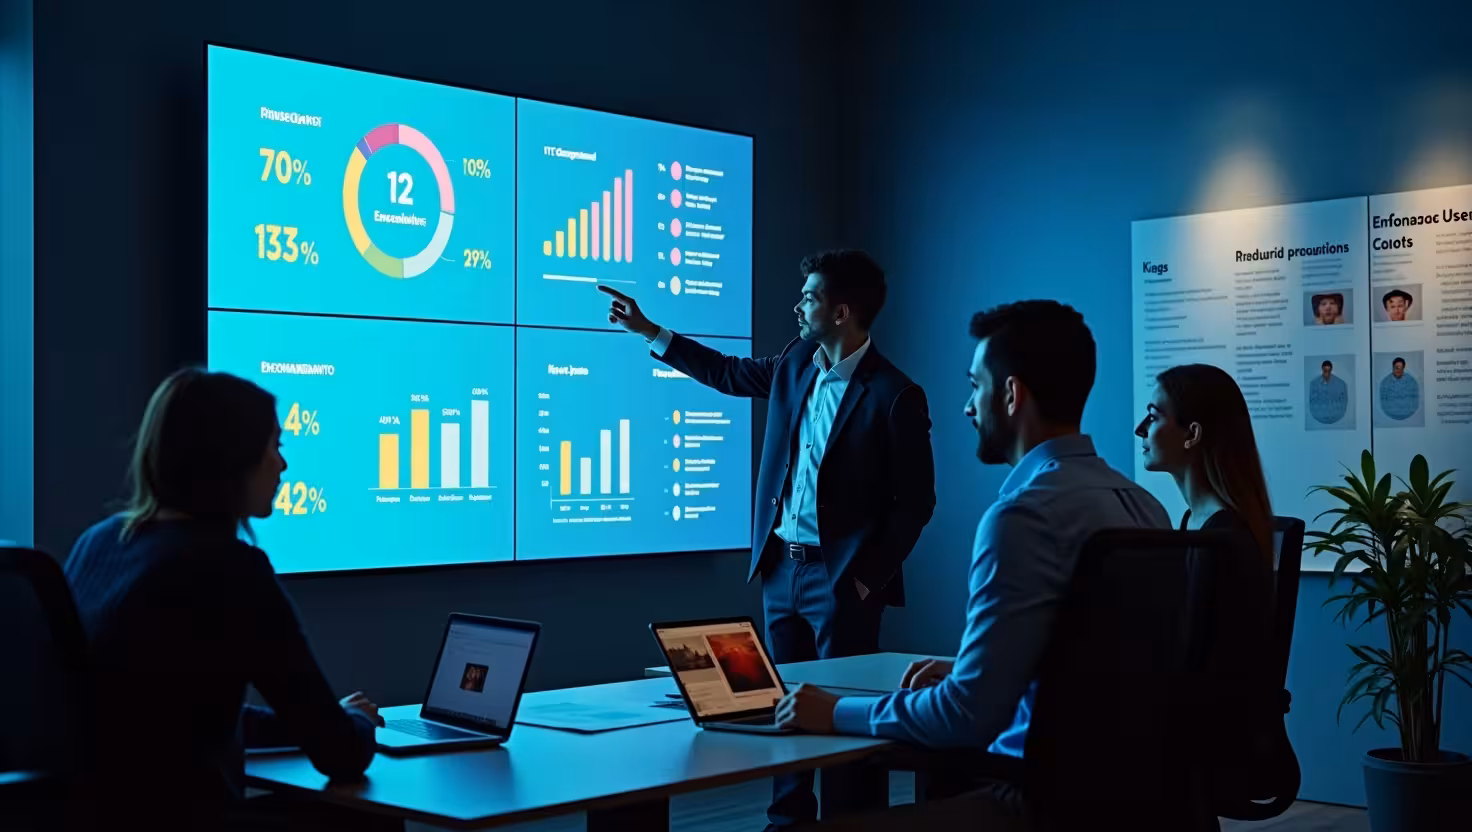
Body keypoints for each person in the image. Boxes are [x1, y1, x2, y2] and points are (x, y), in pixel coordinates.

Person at [773, 300, 1169, 830]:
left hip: (1032, 803)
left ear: (1011, 394)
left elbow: (962, 716)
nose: (966, 407)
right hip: (1136, 801)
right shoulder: (1144, 507)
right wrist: (975, 670)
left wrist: (833, 712)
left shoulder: (1023, 517)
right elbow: (1089, 665)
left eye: (975, 386)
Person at [599, 249, 936, 829]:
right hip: (781, 570)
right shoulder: (795, 362)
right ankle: (787, 821)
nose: (798, 306)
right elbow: (728, 373)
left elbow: (917, 503)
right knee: (783, 708)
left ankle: (852, 821)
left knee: (843, 714)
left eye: (809, 297)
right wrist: (651, 331)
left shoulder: (894, 394)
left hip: (841, 579)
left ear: (841, 311)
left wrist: (865, 578)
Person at [64, 369, 393, 830]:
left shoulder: (98, 543)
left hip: (90, 814)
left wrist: (322, 721)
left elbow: (177, 717)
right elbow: (340, 755)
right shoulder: (230, 569)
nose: (282, 465)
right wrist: (357, 724)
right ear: (234, 458)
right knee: (371, 819)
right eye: (274, 446)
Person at [1134, 363, 1281, 811]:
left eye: (1154, 416)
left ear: (1192, 434)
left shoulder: (1219, 539)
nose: (1141, 429)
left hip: (1205, 743)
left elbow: (1192, 663)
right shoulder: (1199, 525)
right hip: (1199, 731)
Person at [1308, 359, 1349, 425]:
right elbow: (1312, 401)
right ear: (1322, 369)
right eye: (1325, 370)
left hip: (1336, 416)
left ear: (1331, 369)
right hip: (1319, 416)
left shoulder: (1341, 384)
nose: (1327, 372)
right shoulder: (1314, 383)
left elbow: (1344, 400)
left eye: (1328, 370)